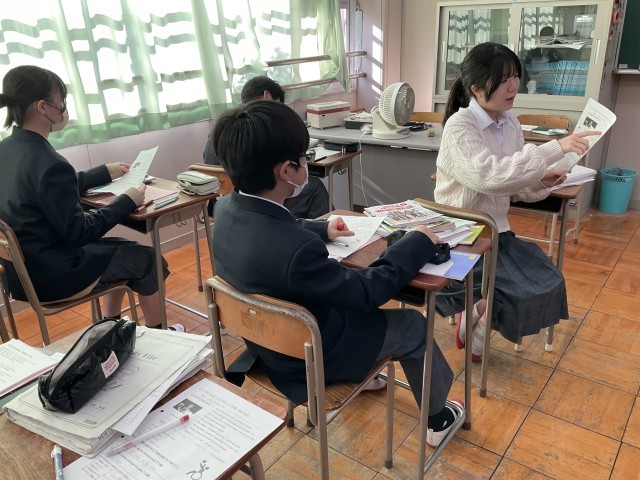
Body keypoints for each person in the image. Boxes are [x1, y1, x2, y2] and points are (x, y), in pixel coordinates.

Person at [212, 100, 459, 447]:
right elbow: (366, 293)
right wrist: (416, 242)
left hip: (266, 344)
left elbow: (272, 227)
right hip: (309, 357)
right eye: (303, 157)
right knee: (414, 326)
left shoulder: (225, 209)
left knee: (350, 299)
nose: (307, 162)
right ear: (285, 171)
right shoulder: (298, 251)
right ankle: (437, 418)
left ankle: (366, 371)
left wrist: (321, 228)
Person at [434, 42, 599, 359]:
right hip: (461, 233)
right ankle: (476, 319)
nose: (513, 86)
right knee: (515, 291)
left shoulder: (509, 122)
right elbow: (487, 176)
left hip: (496, 231)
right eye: (503, 80)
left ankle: (476, 319)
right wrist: (554, 148)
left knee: (549, 282)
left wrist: (541, 179)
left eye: (515, 76)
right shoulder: (460, 126)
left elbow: (510, 182)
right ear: (477, 89)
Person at [0, 65, 182, 331]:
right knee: (149, 260)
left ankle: (110, 329)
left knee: (122, 249)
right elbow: (81, 233)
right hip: (56, 275)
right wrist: (128, 200)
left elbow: (48, 189)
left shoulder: (7, 149)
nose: (64, 107)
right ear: (42, 107)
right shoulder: (50, 163)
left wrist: (104, 172)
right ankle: (160, 336)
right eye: (61, 99)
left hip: (22, 274)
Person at [203, 75, 329, 219]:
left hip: (223, 199)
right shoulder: (261, 128)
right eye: (278, 105)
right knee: (314, 186)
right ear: (267, 95)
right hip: (257, 198)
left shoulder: (226, 125)